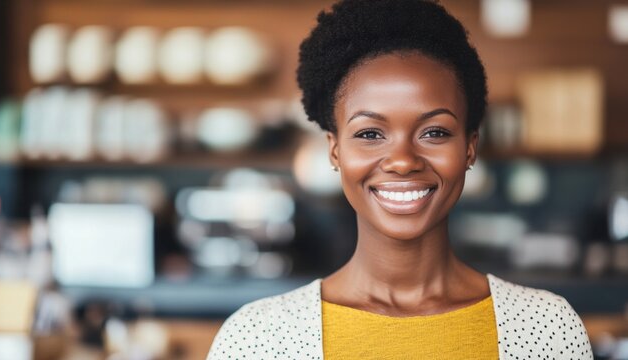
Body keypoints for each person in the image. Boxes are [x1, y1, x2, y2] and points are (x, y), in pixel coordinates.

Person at [207, 0, 593, 358]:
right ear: (335, 150)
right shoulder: (257, 338)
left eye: (434, 132)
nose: (403, 161)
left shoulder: (548, 328)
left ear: (470, 148)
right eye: (370, 134)